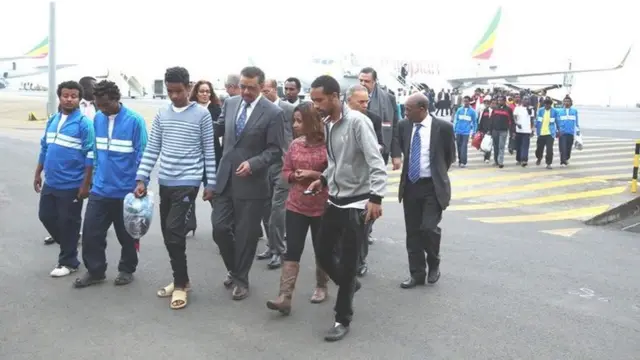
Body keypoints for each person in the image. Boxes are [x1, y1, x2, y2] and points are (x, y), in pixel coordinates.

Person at [306, 75, 387, 342]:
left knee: (350, 261)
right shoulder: (329, 124)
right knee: (322, 250)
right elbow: (335, 162)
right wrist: (323, 179)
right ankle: (348, 283)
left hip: (357, 202)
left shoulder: (357, 122)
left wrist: (376, 198)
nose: (315, 105)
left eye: (319, 100)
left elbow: (375, 161)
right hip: (335, 199)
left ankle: (343, 318)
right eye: (313, 100)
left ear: (333, 96)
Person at [134, 67, 216, 310]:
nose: (174, 96)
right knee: (167, 233)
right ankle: (182, 278)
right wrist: (142, 178)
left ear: (189, 87)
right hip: (166, 181)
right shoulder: (162, 114)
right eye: (170, 91)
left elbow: (209, 151)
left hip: (188, 182)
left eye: (179, 91)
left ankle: (180, 285)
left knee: (174, 230)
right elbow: (152, 148)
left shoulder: (202, 115)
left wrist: (210, 182)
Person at [211, 66, 285, 301]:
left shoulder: (272, 112)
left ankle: (241, 279)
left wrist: (254, 163)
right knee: (220, 228)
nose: (245, 91)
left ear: (261, 86)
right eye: (242, 86)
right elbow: (218, 129)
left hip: (252, 183)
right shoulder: (231, 103)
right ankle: (235, 268)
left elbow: (275, 150)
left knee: (246, 235)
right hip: (225, 178)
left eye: (250, 88)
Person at [73, 80, 147, 288]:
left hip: (126, 192)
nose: (101, 109)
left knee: (128, 235)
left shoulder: (135, 121)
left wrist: (141, 182)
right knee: (91, 233)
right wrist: (87, 182)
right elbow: (93, 153)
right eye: (98, 105)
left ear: (116, 99)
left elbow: (143, 155)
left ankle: (126, 269)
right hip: (100, 189)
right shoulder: (97, 119)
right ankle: (95, 271)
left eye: (105, 105)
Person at [266, 102, 330, 315]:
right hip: (296, 205)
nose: (295, 125)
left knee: (322, 249)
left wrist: (314, 176)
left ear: (312, 122)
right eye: (294, 120)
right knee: (292, 250)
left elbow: (336, 173)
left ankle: (321, 286)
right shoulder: (295, 145)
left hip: (322, 207)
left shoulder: (328, 146)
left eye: (300, 121)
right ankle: (285, 297)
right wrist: (295, 176)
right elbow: (285, 172)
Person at [391, 92, 455, 289]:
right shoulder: (404, 125)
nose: (405, 112)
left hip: (432, 186)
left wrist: (436, 172)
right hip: (411, 185)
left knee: (428, 228)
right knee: (413, 233)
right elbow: (402, 148)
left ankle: (434, 261)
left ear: (422, 109)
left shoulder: (443, 128)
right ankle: (416, 273)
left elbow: (449, 157)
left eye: (409, 109)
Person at [34, 80, 95, 277]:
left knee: (69, 221)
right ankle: (70, 246)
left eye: (73, 96)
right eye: (65, 96)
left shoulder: (84, 123)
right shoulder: (52, 120)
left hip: (72, 184)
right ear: (59, 97)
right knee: (46, 216)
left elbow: (90, 155)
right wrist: (38, 173)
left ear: (79, 99)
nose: (69, 99)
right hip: (51, 182)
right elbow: (45, 147)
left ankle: (68, 262)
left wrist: (86, 184)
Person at [256, 79, 295, 269]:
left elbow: (296, 133)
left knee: (277, 209)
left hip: (283, 165)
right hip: (264, 164)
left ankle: (279, 250)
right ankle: (271, 246)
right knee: (265, 207)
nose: (263, 95)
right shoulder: (259, 109)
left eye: (265, 91)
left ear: (273, 90)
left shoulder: (287, 108)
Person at [183, 80, 223, 237]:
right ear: (196, 93)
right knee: (189, 192)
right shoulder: (189, 109)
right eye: (202, 91)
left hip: (213, 157)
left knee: (214, 193)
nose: (205, 94)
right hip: (193, 157)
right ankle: (189, 223)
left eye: (208, 91)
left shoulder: (217, 110)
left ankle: (222, 226)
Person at [452, 96, 478, 167]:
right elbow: (456, 120)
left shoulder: (472, 112)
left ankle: (463, 162)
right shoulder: (459, 110)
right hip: (458, 131)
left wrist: (474, 132)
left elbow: (475, 122)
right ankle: (460, 161)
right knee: (459, 147)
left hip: (466, 132)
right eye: (464, 101)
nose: (465, 103)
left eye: (467, 101)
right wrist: (454, 129)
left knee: (464, 147)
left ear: (469, 102)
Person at [535, 97, 560, 169]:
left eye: (548, 105)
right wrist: (534, 128)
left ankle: (548, 163)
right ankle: (539, 158)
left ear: (551, 105)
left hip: (550, 134)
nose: (547, 106)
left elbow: (557, 121)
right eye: (546, 105)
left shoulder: (555, 112)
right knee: (539, 149)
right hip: (541, 133)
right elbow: (537, 120)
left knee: (549, 150)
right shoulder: (540, 111)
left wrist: (558, 130)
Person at [557, 95, 579, 166]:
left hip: (571, 132)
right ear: (563, 102)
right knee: (562, 147)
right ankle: (562, 161)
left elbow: (576, 122)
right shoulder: (559, 111)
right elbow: (557, 122)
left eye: (568, 101)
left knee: (568, 148)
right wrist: (557, 131)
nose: (567, 102)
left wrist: (577, 131)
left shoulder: (574, 111)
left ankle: (566, 158)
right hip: (562, 132)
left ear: (571, 103)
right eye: (565, 101)